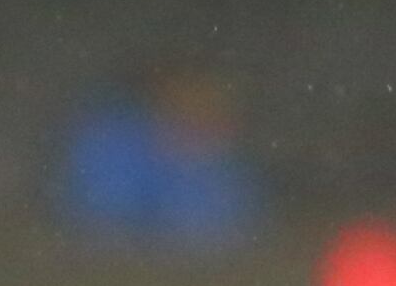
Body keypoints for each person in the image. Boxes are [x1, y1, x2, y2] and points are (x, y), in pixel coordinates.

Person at [55, 62, 258, 246]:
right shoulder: (110, 146)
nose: (206, 119)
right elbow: (97, 223)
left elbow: (233, 233)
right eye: (192, 103)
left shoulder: (228, 174)